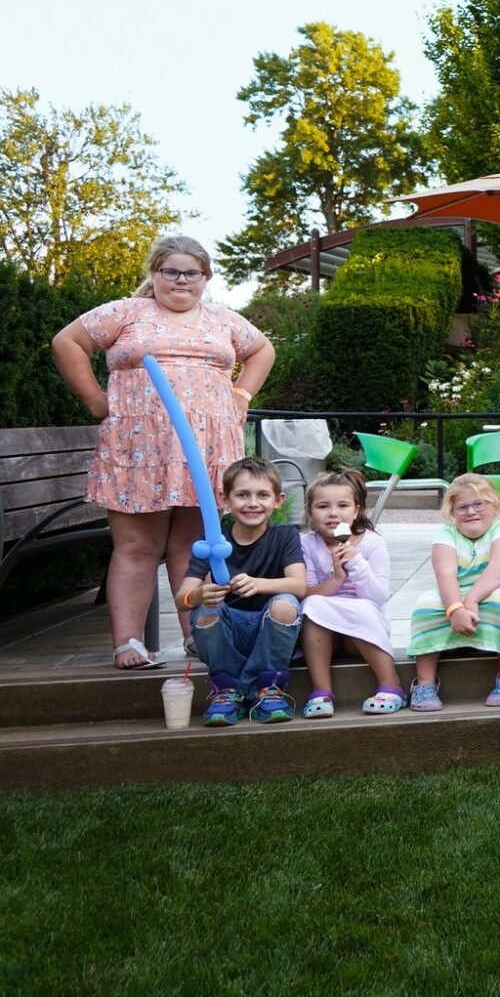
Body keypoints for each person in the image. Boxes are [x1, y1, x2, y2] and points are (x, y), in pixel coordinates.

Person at [51, 234, 275, 669]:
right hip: (140, 447)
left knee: (196, 545)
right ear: (153, 273)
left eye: (192, 272)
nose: (181, 280)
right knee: (138, 545)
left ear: (206, 278)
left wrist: (243, 394)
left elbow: (263, 348)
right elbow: (67, 342)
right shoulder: (127, 312)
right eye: (170, 271)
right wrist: (95, 400)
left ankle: (200, 636)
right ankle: (129, 643)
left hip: (206, 447)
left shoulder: (222, 319)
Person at [173, 457, 306, 726]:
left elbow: (298, 585)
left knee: (286, 603)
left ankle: (267, 687)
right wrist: (198, 595)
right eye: (243, 495)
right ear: (225, 498)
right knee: (205, 609)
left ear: (278, 500)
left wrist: (260, 583)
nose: (253, 503)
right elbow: (182, 599)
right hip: (227, 631)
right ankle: (227, 690)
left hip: (268, 632)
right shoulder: (211, 542)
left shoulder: (285, 536)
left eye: (262, 495)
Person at [408, 474, 500, 711]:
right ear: (452, 512)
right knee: (425, 606)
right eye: (462, 507)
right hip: (453, 592)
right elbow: (445, 573)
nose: (471, 511)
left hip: (491, 588)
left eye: (479, 504)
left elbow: (499, 568)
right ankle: (424, 682)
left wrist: (471, 600)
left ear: (495, 506)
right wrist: (455, 607)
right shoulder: (446, 533)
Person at [298, 468, 401, 718]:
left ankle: (391, 684)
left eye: (342, 506)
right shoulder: (306, 543)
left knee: (363, 607)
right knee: (312, 605)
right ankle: (322, 691)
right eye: (323, 506)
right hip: (326, 637)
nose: (333, 513)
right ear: (310, 513)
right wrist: (337, 578)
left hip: (363, 632)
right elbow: (305, 591)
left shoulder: (371, 542)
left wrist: (356, 563)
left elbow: (377, 598)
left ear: (356, 511)